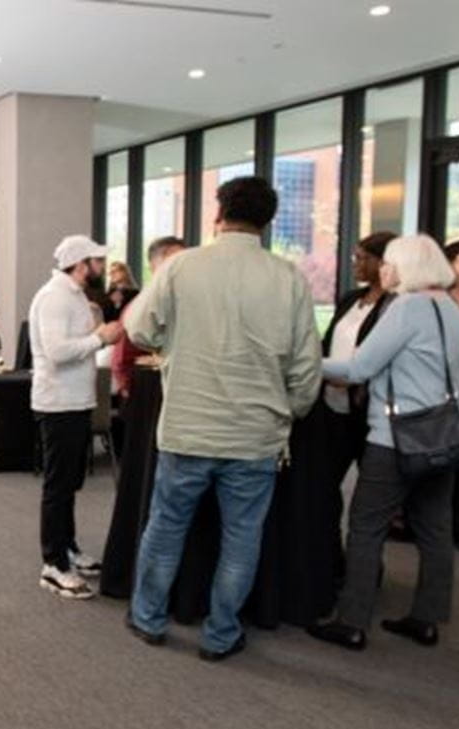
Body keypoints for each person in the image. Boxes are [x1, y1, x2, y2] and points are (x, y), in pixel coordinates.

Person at [125, 176, 321, 660]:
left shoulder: (181, 266)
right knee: (241, 538)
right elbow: (306, 367)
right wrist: (289, 413)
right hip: (256, 434)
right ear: (268, 220)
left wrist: (173, 343)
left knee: (166, 527)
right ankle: (221, 632)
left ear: (219, 212)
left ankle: (148, 616)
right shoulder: (289, 278)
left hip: (189, 426)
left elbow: (138, 328)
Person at [308, 235, 459, 651]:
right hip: (445, 432)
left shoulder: (407, 307)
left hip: (395, 437)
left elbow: (360, 367)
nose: (384, 270)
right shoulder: (451, 308)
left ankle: (352, 621)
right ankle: (427, 618)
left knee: (366, 527)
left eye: (390, 264)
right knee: (435, 529)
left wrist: (303, 362)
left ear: (406, 268)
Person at [29, 236, 123, 599]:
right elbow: (55, 352)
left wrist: (96, 338)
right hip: (59, 403)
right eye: (97, 261)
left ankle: (67, 548)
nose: (101, 267)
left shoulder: (73, 295)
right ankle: (53, 565)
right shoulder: (55, 297)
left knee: (69, 483)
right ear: (81, 264)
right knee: (58, 486)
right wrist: (99, 339)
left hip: (74, 401)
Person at [317, 231, 397, 589]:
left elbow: (386, 358)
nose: (355, 264)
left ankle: (365, 572)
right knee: (324, 487)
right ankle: (330, 560)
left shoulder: (397, 306)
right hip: (332, 406)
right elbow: (329, 342)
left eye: (362, 257)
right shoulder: (351, 298)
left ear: (384, 262)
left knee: (369, 502)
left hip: (370, 412)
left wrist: (353, 377)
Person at [112, 238, 183, 399]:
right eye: (172, 261)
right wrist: (125, 385)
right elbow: (123, 351)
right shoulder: (144, 301)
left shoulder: (187, 299)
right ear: (153, 266)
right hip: (146, 386)